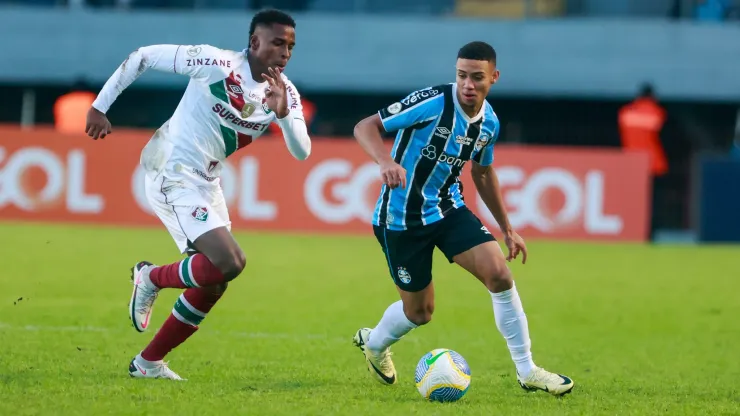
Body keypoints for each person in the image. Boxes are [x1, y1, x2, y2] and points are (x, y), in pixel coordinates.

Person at [84, 9, 311, 380]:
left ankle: (147, 364)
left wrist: (283, 112)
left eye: (291, 46)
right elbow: (143, 56)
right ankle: (151, 278)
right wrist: (98, 107)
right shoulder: (215, 62)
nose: (285, 52)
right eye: (277, 43)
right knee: (231, 261)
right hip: (171, 171)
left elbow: (302, 151)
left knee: (214, 281)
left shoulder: (286, 93)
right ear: (255, 42)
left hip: (206, 181)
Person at [351, 41, 574, 396]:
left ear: (494, 78)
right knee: (419, 312)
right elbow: (365, 126)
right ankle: (375, 344)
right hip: (400, 219)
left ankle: (527, 370)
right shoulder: (432, 101)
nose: (467, 84)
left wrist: (508, 229)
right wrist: (385, 161)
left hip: (447, 209)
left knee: (499, 273)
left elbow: (483, 174)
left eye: (476, 77)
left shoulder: (490, 123)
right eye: (461, 76)